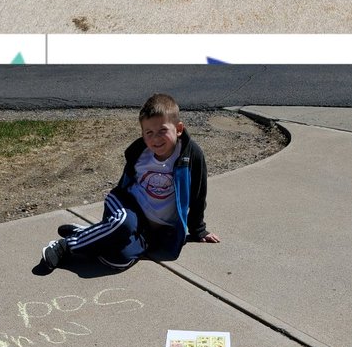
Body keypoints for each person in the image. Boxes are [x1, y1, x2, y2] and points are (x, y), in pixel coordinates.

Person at [39, 93, 221, 273]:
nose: (156, 138)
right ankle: (63, 247)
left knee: (119, 260)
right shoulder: (139, 153)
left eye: (162, 131)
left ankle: (93, 234)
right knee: (123, 224)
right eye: (149, 133)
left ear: (178, 129)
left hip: (151, 229)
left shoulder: (192, 155)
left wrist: (198, 230)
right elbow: (125, 184)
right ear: (142, 134)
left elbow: (198, 194)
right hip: (127, 205)